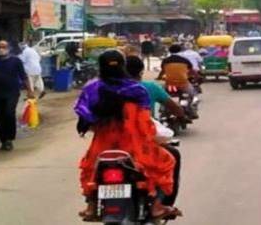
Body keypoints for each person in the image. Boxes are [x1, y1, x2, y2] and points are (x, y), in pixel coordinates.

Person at [75, 51, 180, 220]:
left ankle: (91, 206)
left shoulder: (91, 89)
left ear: (100, 67)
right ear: (123, 67)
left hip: (102, 148)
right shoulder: (137, 90)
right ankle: (156, 206)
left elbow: (85, 121)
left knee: (92, 170)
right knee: (168, 161)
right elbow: (145, 125)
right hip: (135, 149)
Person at [125, 56, 184, 207]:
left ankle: (91, 203)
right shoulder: (148, 88)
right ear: (140, 72)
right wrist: (182, 115)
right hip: (142, 141)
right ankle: (162, 204)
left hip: (112, 143)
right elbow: (174, 107)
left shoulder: (105, 88)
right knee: (172, 157)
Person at [0, 39, 35, 151]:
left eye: (4, 47)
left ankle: (9, 139)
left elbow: (24, 76)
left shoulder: (16, 61)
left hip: (12, 93)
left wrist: (30, 90)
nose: (1, 49)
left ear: (8, 48)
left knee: (9, 113)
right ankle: (3, 140)